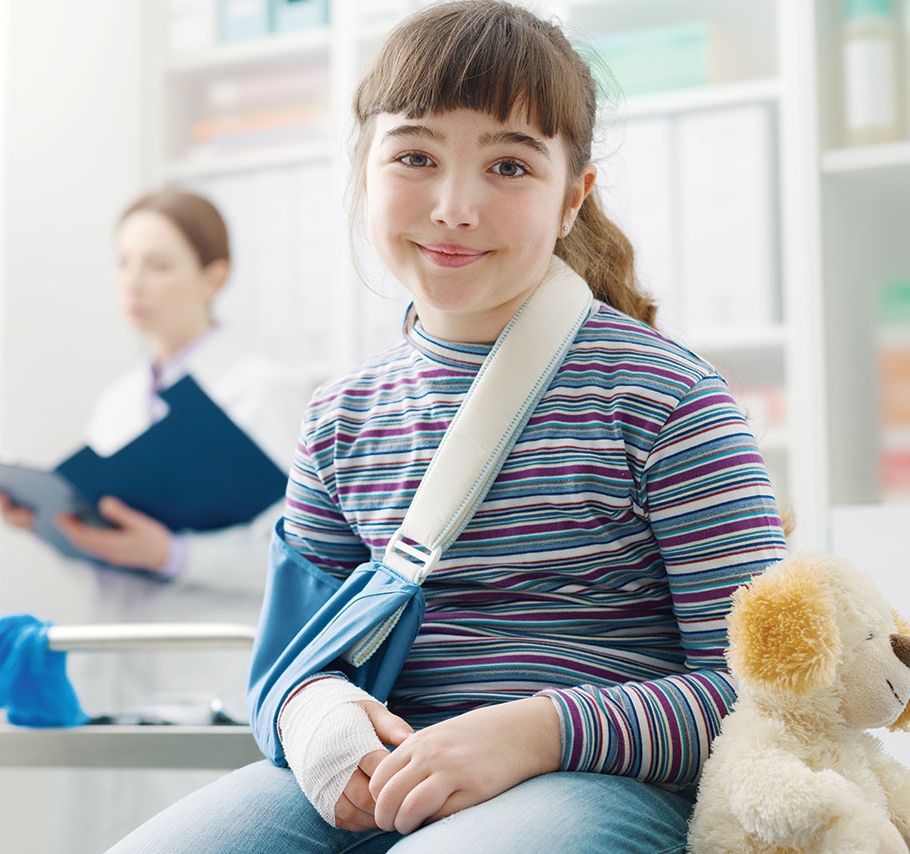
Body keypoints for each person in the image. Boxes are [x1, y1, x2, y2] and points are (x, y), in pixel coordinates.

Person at [104, 3, 789, 852]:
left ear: (572, 199)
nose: (453, 207)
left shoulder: (666, 397)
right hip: (395, 774)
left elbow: (765, 692)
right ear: (364, 172)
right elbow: (289, 668)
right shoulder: (336, 421)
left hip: (599, 783)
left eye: (508, 166)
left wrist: (537, 732)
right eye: (416, 157)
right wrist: (322, 724)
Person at [0, 189, 308, 845]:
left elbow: (298, 558)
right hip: (113, 674)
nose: (134, 283)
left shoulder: (261, 392)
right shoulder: (116, 403)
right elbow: (111, 542)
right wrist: (54, 525)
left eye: (158, 264)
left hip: (203, 681)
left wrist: (171, 554)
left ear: (213, 276)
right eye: (124, 262)